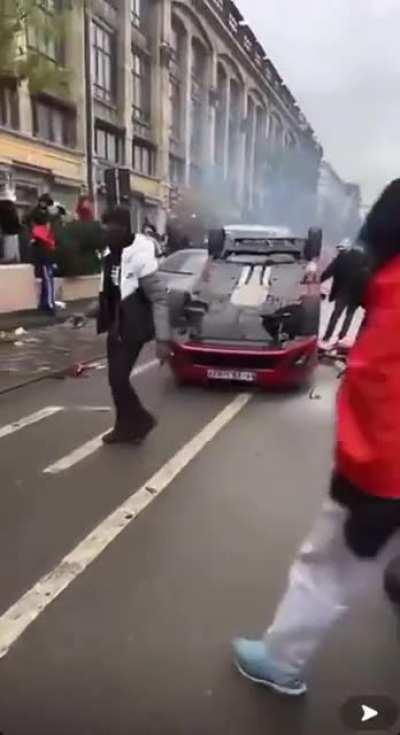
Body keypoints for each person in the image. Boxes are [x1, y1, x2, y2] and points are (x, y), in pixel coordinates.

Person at [233, 179, 400, 696]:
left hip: (381, 478)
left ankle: (282, 661)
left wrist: (370, 487)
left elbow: (386, 399)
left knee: (324, 566)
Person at [97, 206, 170, 445]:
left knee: (118, 378)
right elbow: (109, 293)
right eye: (104, 229)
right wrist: (86, 313)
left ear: (124, 228)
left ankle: (140, 421)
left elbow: (159, 298)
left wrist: (163, 339)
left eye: (110, 230)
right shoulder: (110, 255)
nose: (106, 234)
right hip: (115, 327)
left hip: (133, 328)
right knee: (114, 381)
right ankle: (126, 426)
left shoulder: (141, 255)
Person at [320, 242, 362, 345]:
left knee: (336, 315)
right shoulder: (362, 260)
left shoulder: (341, 258)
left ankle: (327, 337)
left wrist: (319, 281)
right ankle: (341, 337)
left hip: (342, 292)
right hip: (356, 294)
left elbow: (329, 271)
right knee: (349, 316)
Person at [31, 212, 57, 314]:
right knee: (48, 284)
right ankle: (50, 306)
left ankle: (43, 305)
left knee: (45, 285)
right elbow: (47, 250)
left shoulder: (37, 234)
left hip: (43, 263)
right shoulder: (42, 235)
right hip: (45, 263)